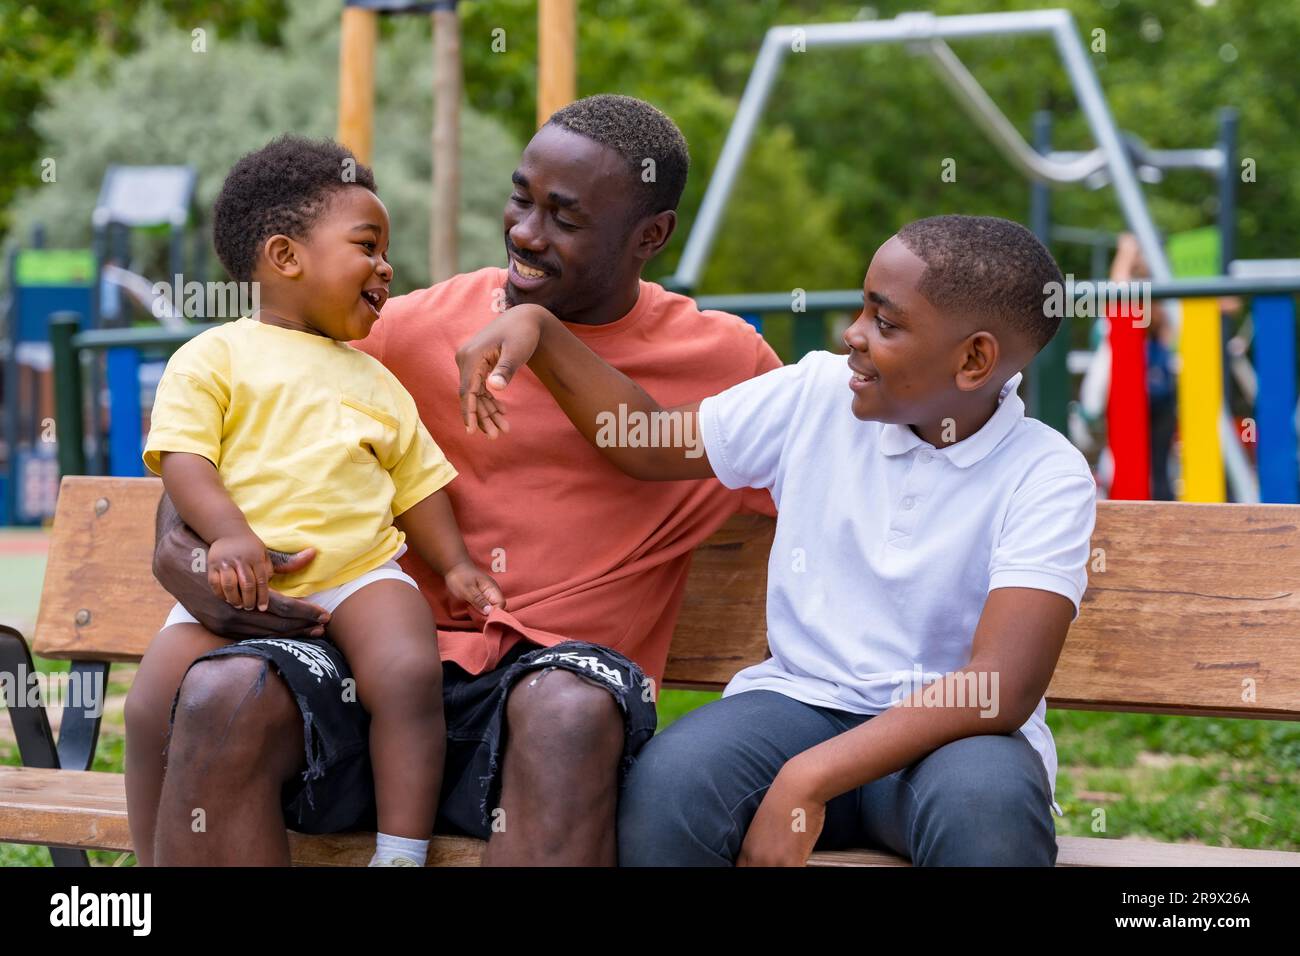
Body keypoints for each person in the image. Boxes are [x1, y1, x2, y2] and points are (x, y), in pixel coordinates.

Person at [127, 94, 782, 866]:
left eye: (564, 219)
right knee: (223, 692)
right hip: (371, 683)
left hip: (549, 699)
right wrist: (181, 543)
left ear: (651, 236)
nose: (525, 233)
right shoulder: (406, 332)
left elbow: (855, 455)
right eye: (520, 198)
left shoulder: (723, 364)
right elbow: (237, 427)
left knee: (568, 707)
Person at [455, 214, 1098, 866]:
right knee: (670, 789)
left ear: (974, 359)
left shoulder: (1043, 473)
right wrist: (543, 332)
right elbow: (642, 440)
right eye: (862, 308)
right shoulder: (815, 394)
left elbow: (999, 685)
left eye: (886, 321)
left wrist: (808, 779)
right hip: (797, 709)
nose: (853, 334)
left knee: (990, 819)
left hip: (950, 744)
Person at [127, 136, 505, 868]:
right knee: (147, 708)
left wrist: (455, 565)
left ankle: (399, 851)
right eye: (368, 245)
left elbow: (416, 483)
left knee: (404, 670)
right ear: (285, 257)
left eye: (386, 251)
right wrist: (229, 538)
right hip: (239, 577)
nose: (386, 267)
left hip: (359, 573)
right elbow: (184, 459)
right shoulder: (213, 357)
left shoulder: (375, 380)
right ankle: (150, 860)